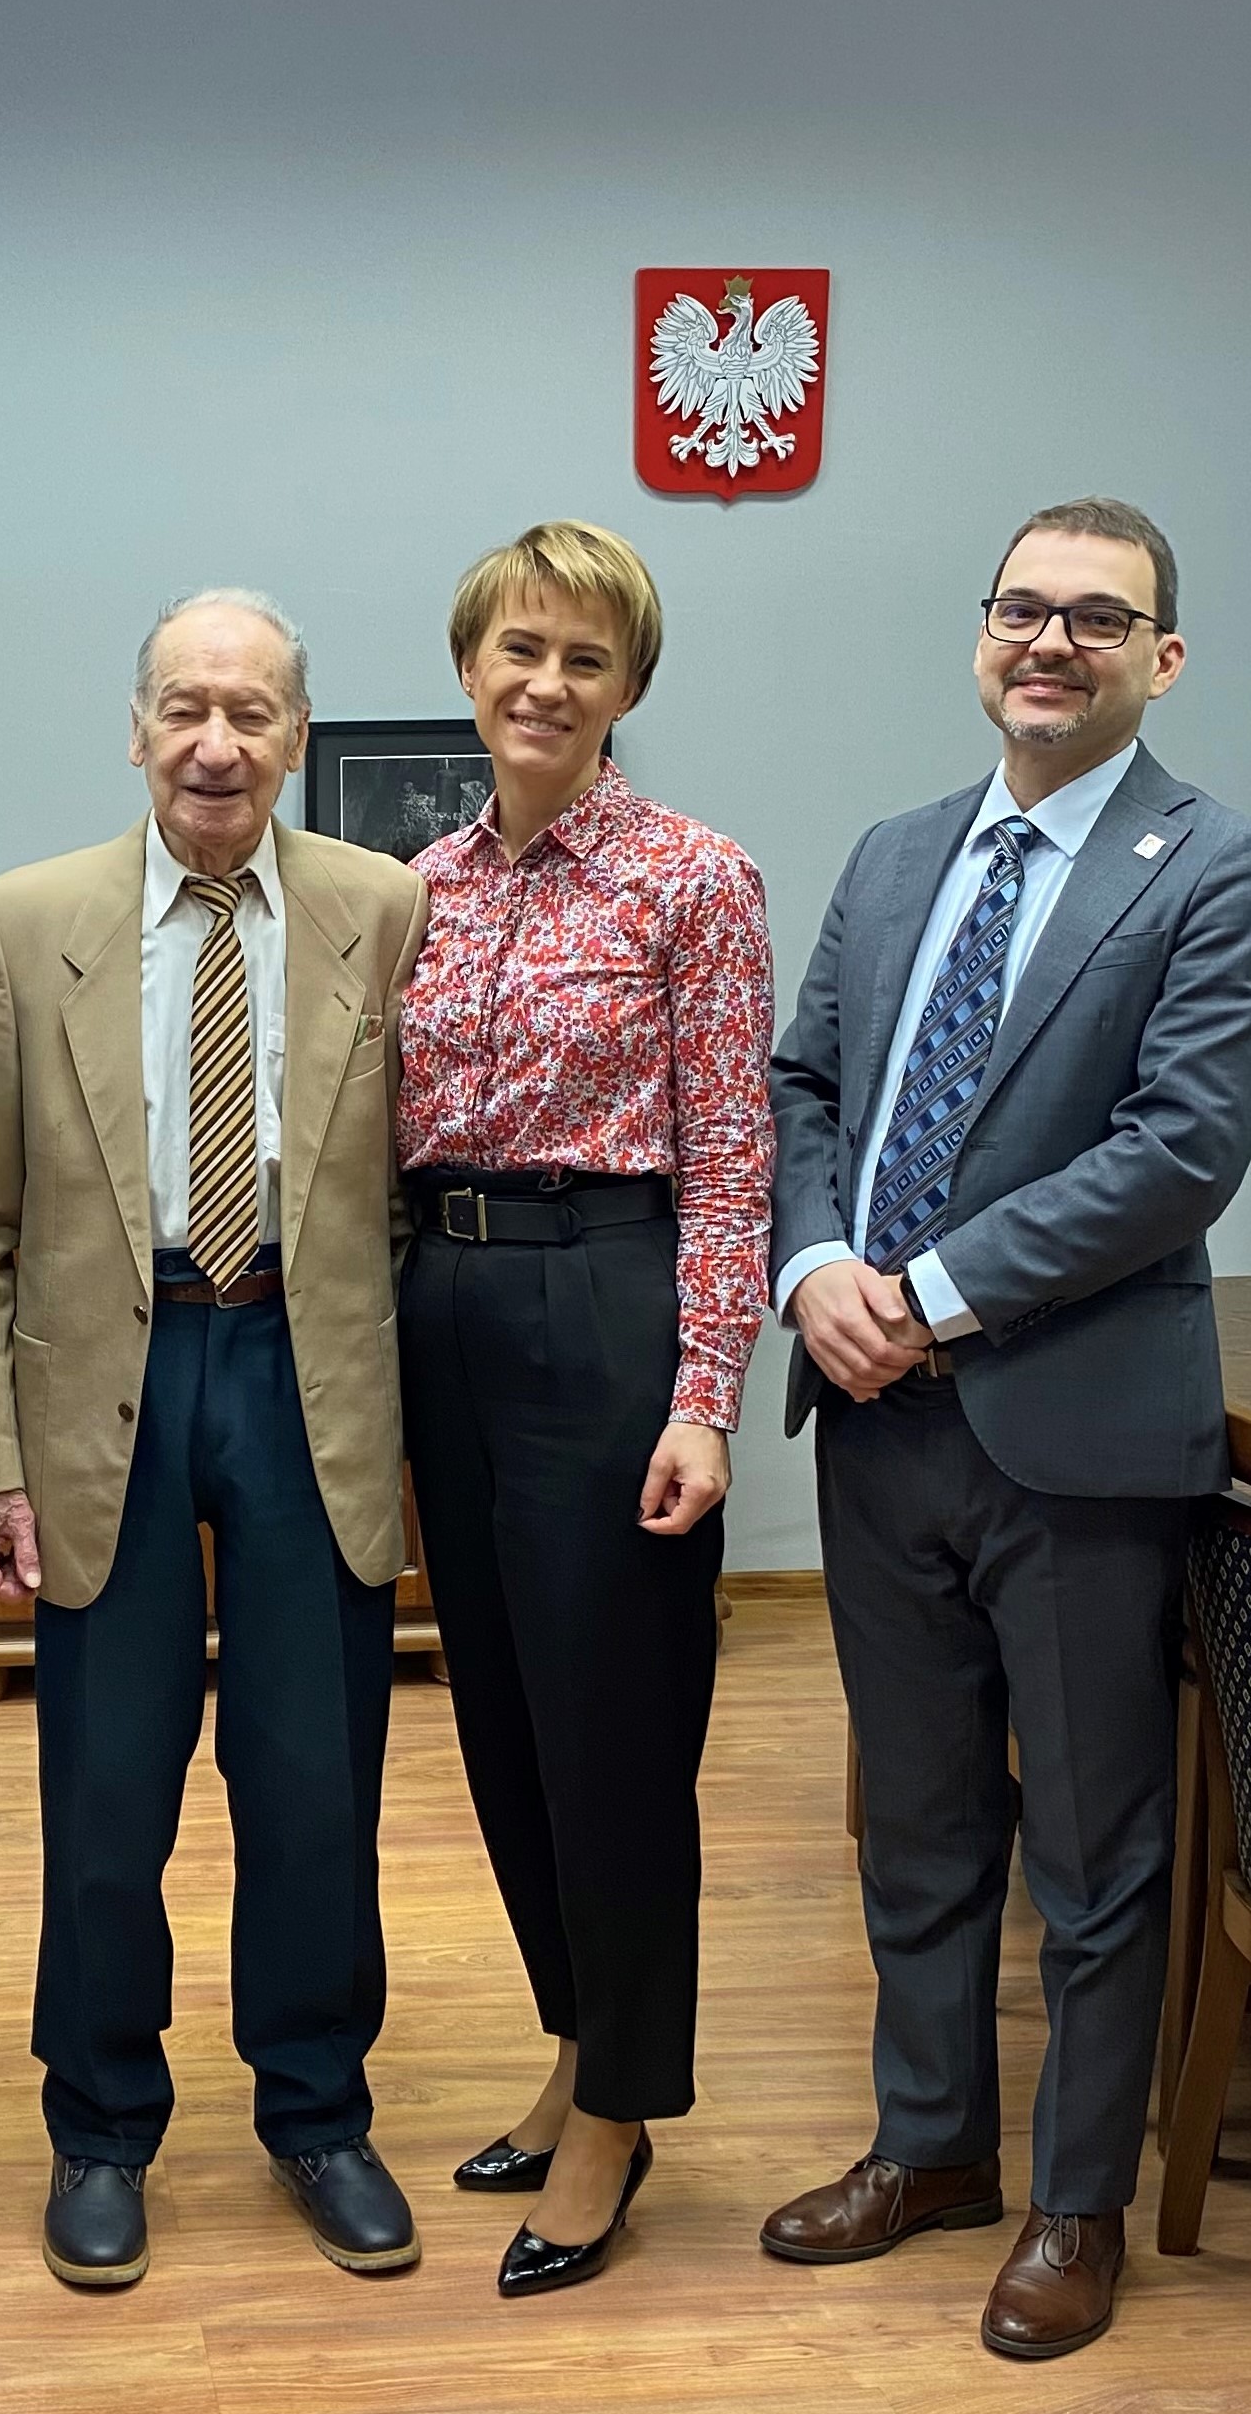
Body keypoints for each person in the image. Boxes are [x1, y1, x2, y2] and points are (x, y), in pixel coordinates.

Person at [760, 498, 1251, 2359]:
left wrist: (926, 1289)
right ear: (980, 633)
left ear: (1163, 657)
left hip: (1069, 1435)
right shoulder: (897, 851)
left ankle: (1076, 2204)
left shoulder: (1216, 866)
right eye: (1020, 608)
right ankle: (931, 2150)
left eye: (1097, 616)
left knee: (1092, 1852)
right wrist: (815, 1265)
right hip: (869, 1421)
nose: (1049, 640)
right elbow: (805, 1085)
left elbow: (1177, 1150)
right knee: (917, 1831)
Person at [0, 590, 430, 2290]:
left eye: (251, 712)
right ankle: (100, 2124)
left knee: (312, 1780)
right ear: (134, 728)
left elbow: (412, 1191)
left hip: (301, 1369)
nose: (217, 744)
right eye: (185, 709)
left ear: (297, 735)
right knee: (107, 1784)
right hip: (104, 1387)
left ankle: (318, 2112)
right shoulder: (23, 921)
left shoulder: (383, 908)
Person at [395, 521, 773, 2297]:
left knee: (612, 1732)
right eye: (517, 649)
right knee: (500, 1720)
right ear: (468, 666)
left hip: (605, 1299)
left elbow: (731, 1159)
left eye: (583, 658)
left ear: (628, 687)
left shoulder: (692, 877)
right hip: (444, 1305)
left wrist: (704, 1398)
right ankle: (570, 2045)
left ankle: (620, 2110)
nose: (543, 683)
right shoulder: (421, 884)